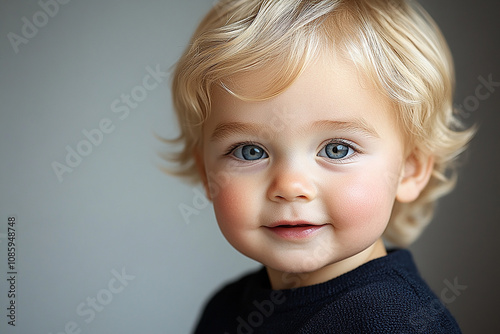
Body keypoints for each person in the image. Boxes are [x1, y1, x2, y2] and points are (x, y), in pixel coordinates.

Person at [165, 0, 475, 332]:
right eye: (250, 151)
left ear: (410, 169)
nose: (289, 186)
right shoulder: (225, 309)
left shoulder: (400, 323)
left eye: (337, 149)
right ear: (206, 172)